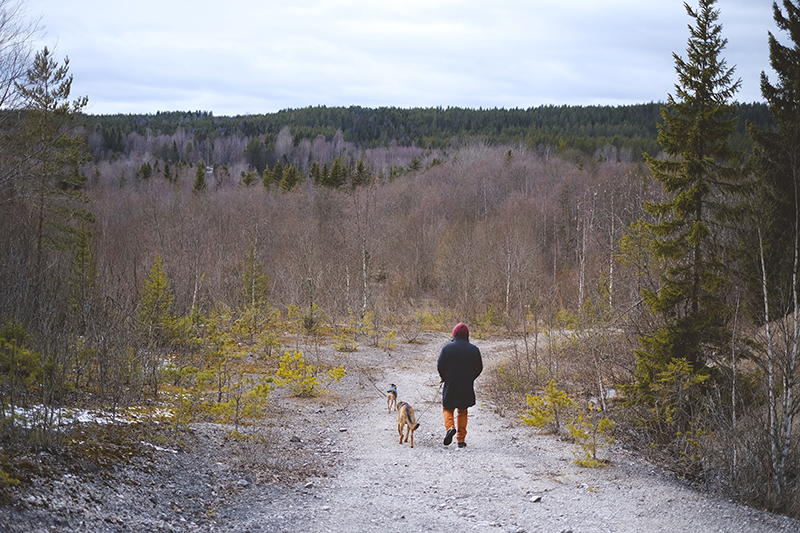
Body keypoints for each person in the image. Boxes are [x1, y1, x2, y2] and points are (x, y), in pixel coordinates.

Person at [437, 322, 482, 448]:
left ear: (454, 333)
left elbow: (440, 365)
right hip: (466, 384)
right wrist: (470, 378)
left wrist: (444, 377)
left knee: (447, 408)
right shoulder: (474, 350)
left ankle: (450, 428)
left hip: (451, 382)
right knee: (463, 410)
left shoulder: (447, 349)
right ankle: (461, 440)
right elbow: (479, 368)